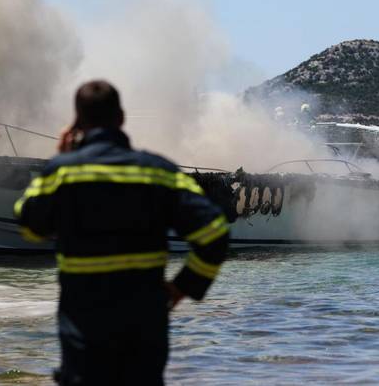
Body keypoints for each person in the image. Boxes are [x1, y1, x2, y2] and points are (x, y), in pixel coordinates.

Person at [14, 80, 230, 385]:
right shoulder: (159, 172)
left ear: (78, 122)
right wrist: (183, 286)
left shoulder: (63, 172)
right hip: (144, 332)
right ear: (121, 118)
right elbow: (216, 232)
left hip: (84, 332)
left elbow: (29, 226)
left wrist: (59, 159)